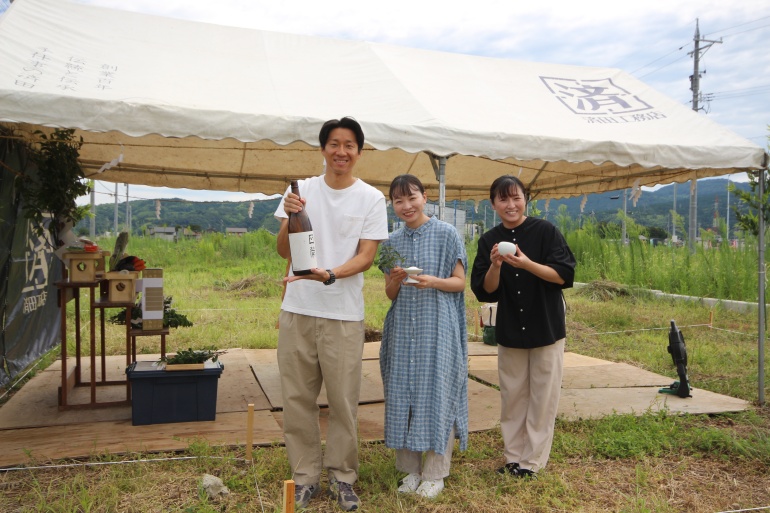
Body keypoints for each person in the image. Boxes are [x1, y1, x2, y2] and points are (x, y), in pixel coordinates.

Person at [274, 117, 389, 511]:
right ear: (323, 149)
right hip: (297, 309)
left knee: (342, 400)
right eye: (334, 144)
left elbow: (366, 256)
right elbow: (283, 251)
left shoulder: (371, 198)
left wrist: (331, 274)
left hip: (343, 313)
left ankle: (343, 476)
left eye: (349, 145)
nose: (342, 151)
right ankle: (305, 477)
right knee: (297, 398)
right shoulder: (300, 191)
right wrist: (290, 215)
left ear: (359, 152)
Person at [470, 175, 575, 479]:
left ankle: (532, 462)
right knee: (512, 395)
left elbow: (563, 275)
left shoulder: (545, 231)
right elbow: (485, 291)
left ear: (525, 199)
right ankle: (513, 457)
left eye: (516, 197)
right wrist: (496, 265)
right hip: (511, 327)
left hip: (546, 325)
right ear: (493, 204)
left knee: (543, 396)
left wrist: (526, 263)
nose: (511, 204)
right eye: (503, 199)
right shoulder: (489, 240)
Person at [378, 174, 468, 499]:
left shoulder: (447, 233)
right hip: (403, 326)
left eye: (411, 197)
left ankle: (435, 472)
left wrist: (434, 281)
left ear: (424, 197)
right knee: (402, 394)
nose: (406, 205)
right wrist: (395, 280)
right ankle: (411, 470)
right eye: (398, 200)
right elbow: (390, 293)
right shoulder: (389, 242)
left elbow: (460, 282)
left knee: (437, 394)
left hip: (437, 325)